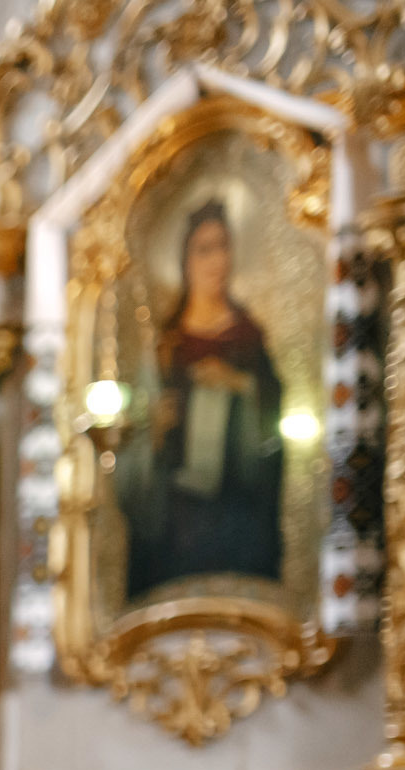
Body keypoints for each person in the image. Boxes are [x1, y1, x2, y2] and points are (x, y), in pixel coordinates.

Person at [125, 198, 286, 598]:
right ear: (185, 259)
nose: (217, 260)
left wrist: (241, 387)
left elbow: (276, 421)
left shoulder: (249, 336)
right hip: (176, 518)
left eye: (224, 246)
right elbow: (135, 431)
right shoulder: (166, 345)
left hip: (238, 512)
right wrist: (154, 427)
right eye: (205, 249)